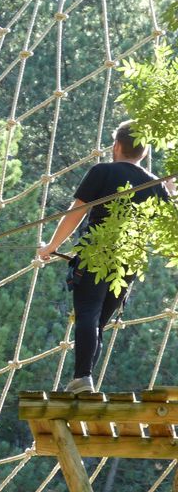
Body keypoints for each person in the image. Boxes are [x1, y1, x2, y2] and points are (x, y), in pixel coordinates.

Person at [38, 120, 173, 393]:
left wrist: (51, 245)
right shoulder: (154, 184)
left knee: (88, 313)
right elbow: (165, 229)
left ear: (117, 146)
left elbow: (76, 213)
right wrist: (168, 195)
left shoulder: (102, 171)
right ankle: (83, 380)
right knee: (99, 322)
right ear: (144, 152)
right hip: (128, 261)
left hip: (96, 253)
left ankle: (83, 378)